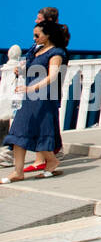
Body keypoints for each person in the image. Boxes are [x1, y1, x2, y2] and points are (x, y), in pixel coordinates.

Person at [2, 18, 70, 184]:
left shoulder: (56, 53)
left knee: (40, 131)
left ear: (47, 35)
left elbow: (52, 76)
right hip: (28, 97)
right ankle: (18, 171)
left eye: (37, 35)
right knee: (18, 130)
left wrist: (32, 88)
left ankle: (52, 161)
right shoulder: (35, 50)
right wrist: (21, 71)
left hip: (43, 98)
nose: (34, 38)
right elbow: (32, 69)